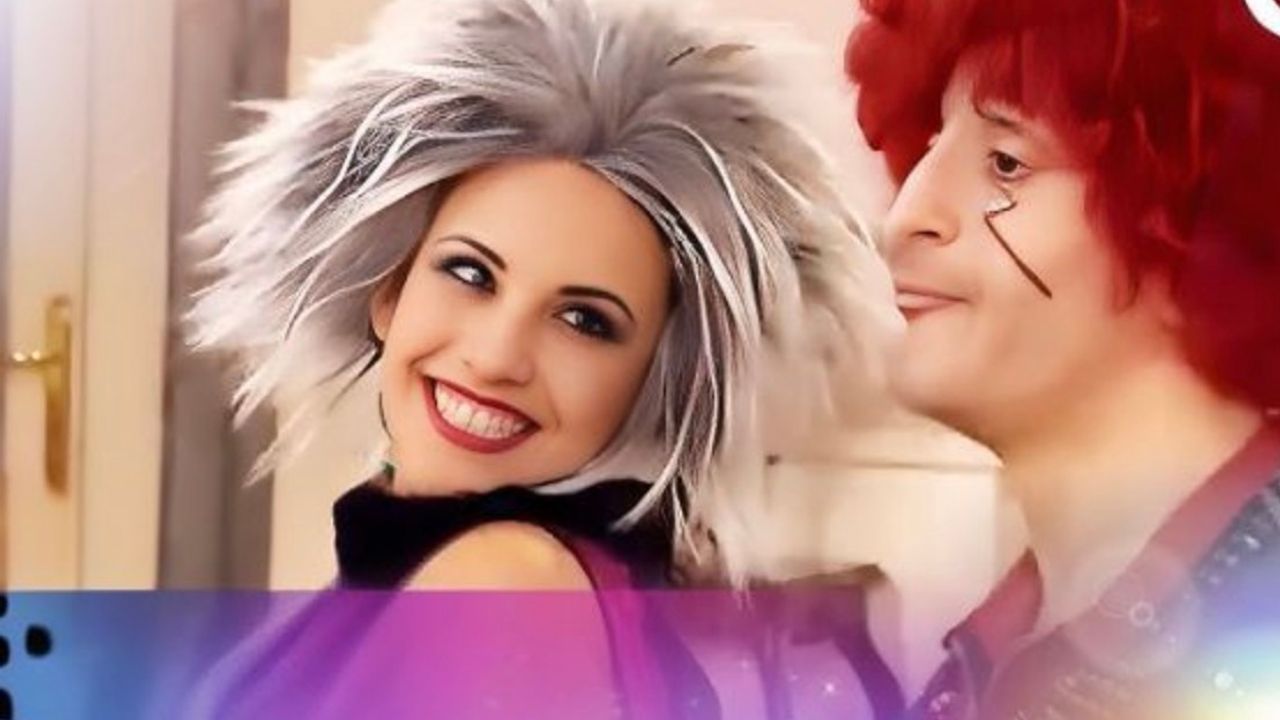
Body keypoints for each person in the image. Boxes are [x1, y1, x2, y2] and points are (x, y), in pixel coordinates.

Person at [183, 0, 901, 716]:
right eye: (470, 273)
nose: (497, 357)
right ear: (389, 290)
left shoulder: (502, 588)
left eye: (583, 321)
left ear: (653, 381)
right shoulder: (451, 566)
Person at [846, 0, 1280, 716]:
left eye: (1007, 164)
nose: (905, 219)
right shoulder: (979, 661)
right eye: (928, 144)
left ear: (1198, 220)